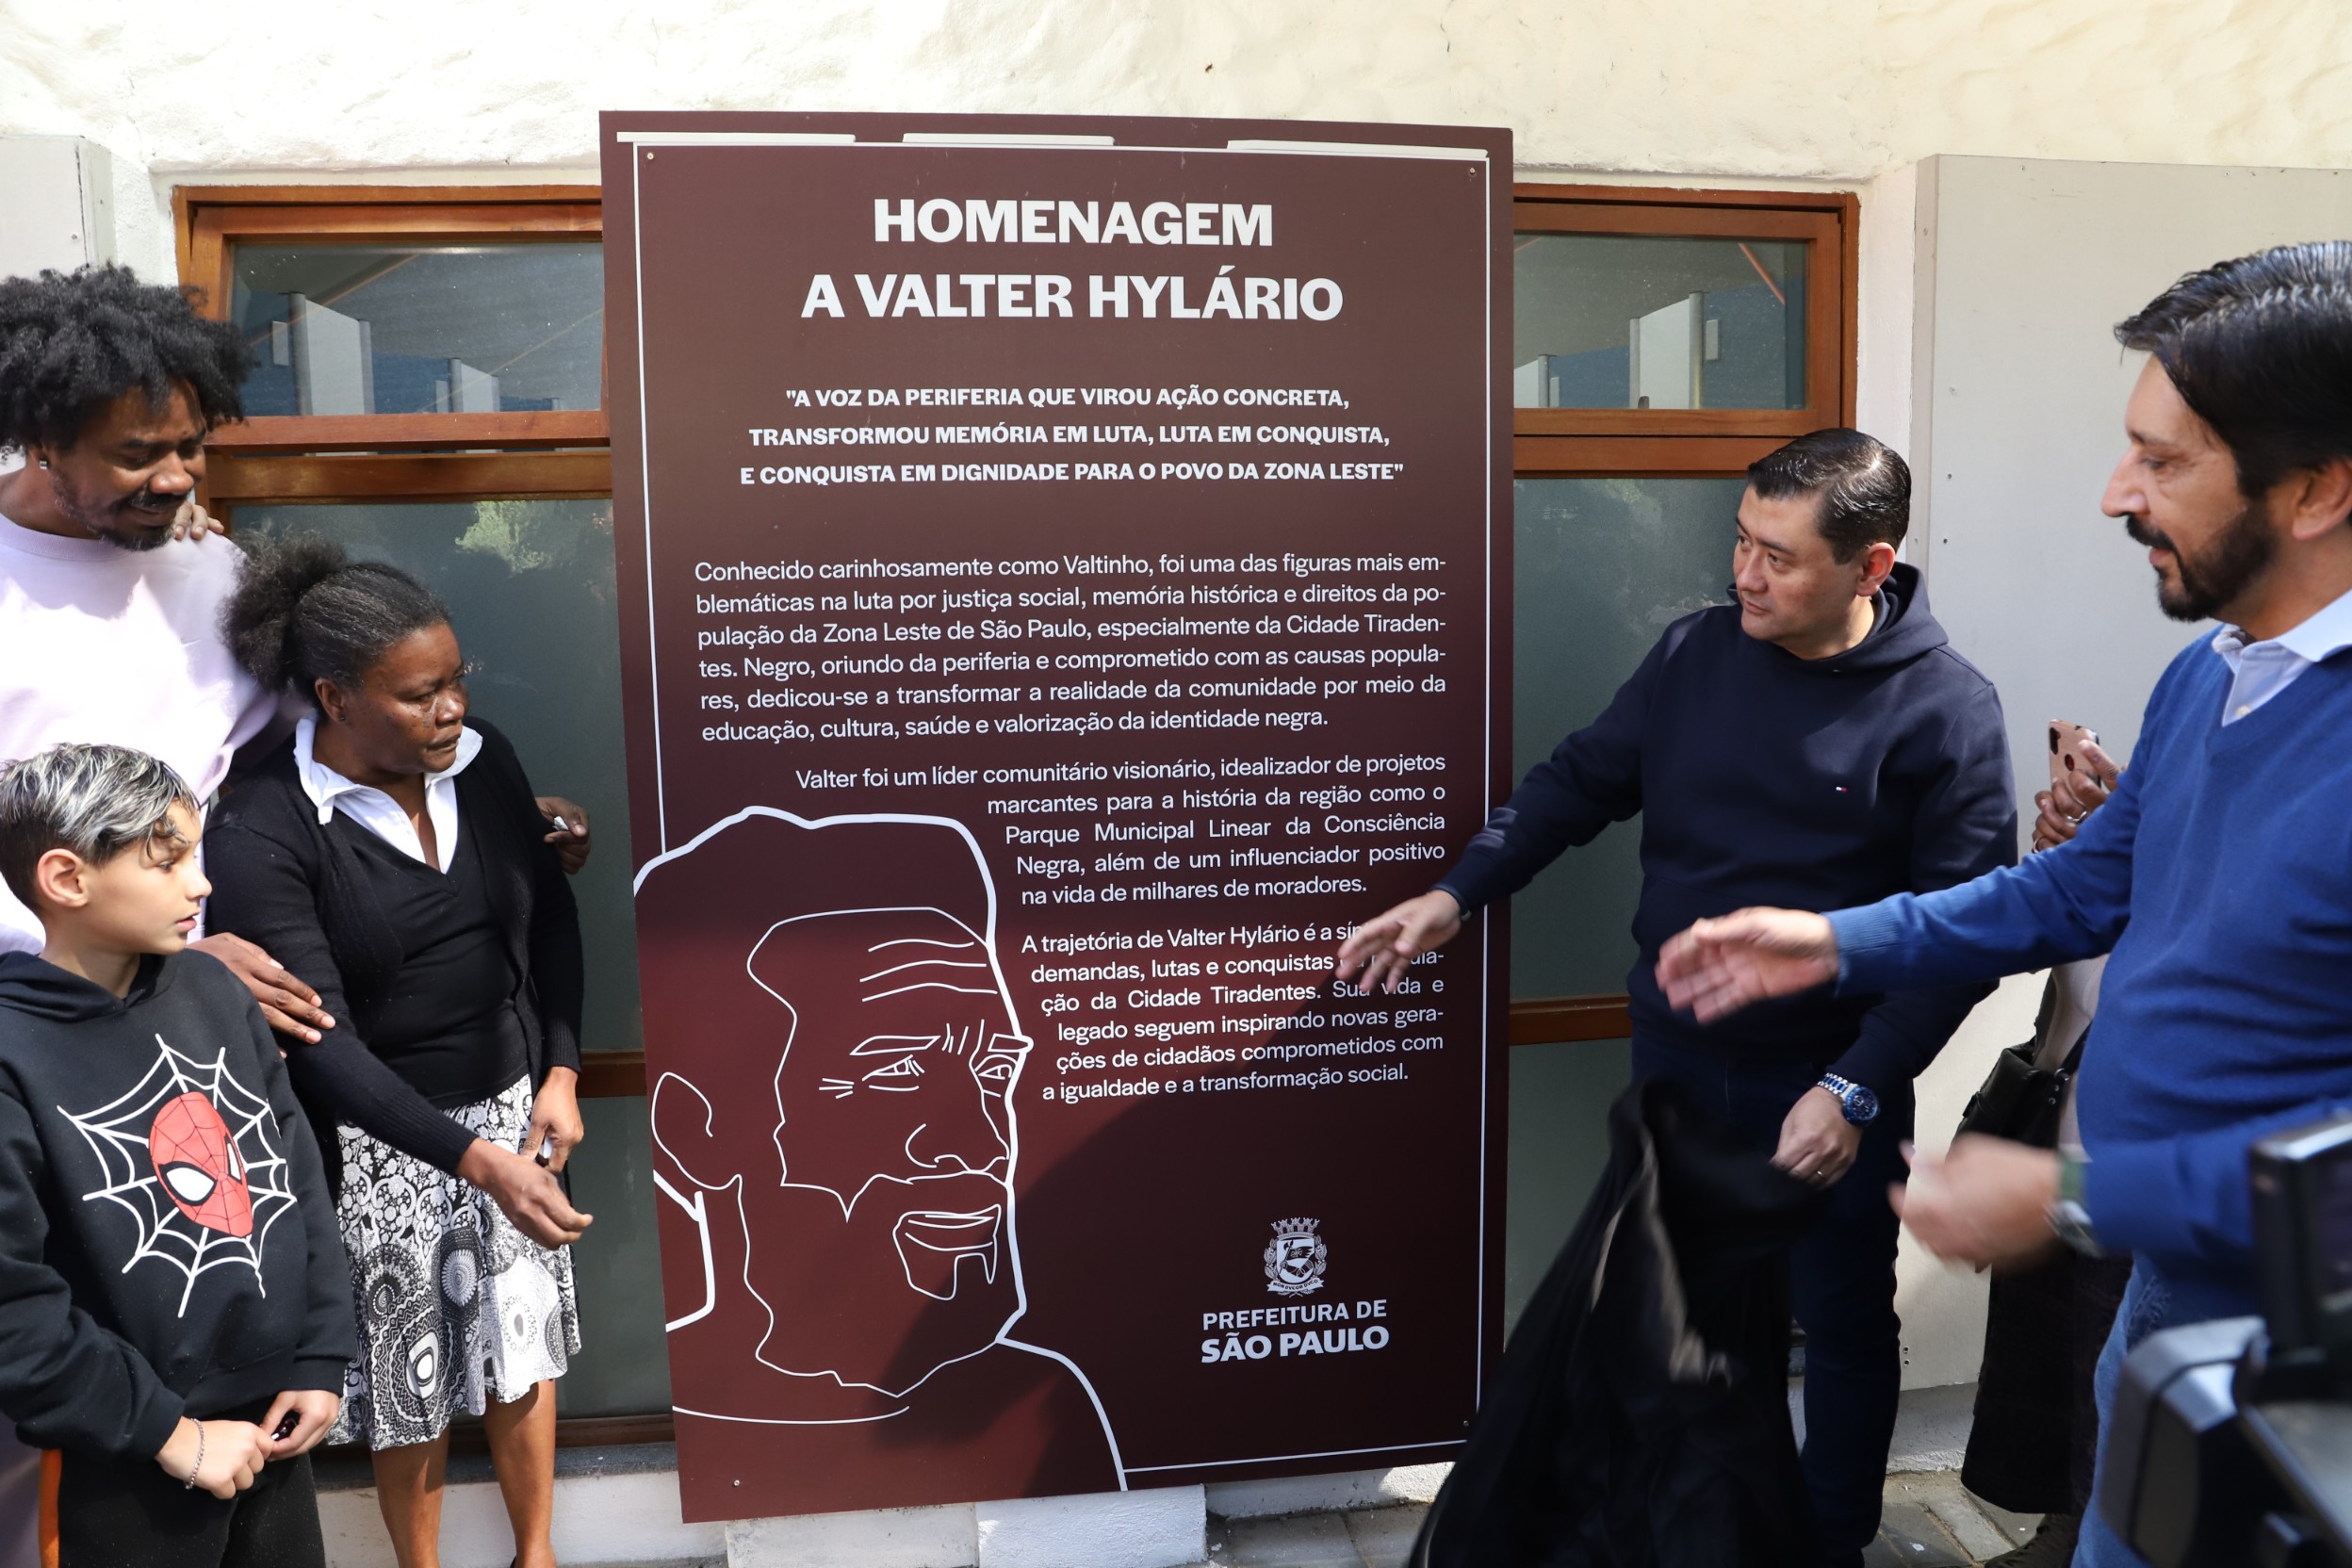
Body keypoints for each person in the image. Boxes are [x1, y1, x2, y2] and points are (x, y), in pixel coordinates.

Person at [1654, 241, 2352, 1568]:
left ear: (2317, 489)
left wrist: (2075, 1199)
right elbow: (2084, 885)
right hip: (2176, 1314)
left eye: (2165, 461)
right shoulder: (2217, 673)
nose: (2115, 494)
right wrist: (1832, 939)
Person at [1337, 428, 2017, 1566]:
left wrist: (1853, 1087)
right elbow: (1577, 784)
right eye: (1740, 542)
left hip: (1833, 1076)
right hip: (1680, 1062)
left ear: (1870, 564)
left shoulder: (1946, 710)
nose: (1744, 575)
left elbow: (1965, 934)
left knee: (1840, 1320)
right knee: (1672, 1315)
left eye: (1777, 557)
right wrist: (1457, 894)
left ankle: (1831, 1540)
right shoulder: (1694, 653)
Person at [202, 537, 593, 1568]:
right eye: (420, 694)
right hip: (375, 1134)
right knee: (410, 1369)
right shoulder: (266, 821)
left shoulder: (485, 758)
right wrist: (474, 1160)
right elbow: (318, 1041)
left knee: (521, 1348)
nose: (451, 709)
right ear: (333, 697)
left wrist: (558, 1071)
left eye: (457, 681)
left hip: (512, 1101)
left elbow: (549, 917)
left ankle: (536, 1554)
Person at [637, 808, 1120, 1518]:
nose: (985, 1146)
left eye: (993, 1071)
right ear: (697, 1130)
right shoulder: (708, 1418)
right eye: (897, 1072)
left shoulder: (1041, 1403)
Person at [0, 743, 353, 1567]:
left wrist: (319, 1353)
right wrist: (168, 1433)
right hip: (122, 1453)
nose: (200, 884)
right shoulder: (14, 1050)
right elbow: (11, 1301)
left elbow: (293, 1172)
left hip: (274, 1425)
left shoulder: (214, 991)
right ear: (66, 878)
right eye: (166, 863)